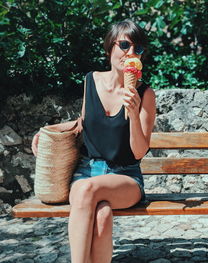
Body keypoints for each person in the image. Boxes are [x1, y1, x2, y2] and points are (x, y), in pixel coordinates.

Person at [32, 19, 156, 263]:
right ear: (109, 47)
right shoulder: (91, 80)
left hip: (125, 177)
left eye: (138, 48)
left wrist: (133, 113)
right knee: (101, 215)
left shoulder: (145, 94)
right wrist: (48, 134)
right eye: (124, 45)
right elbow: (83, 122)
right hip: (87, 171)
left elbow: (139, 152)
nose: (131, 53)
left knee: (85, 189)